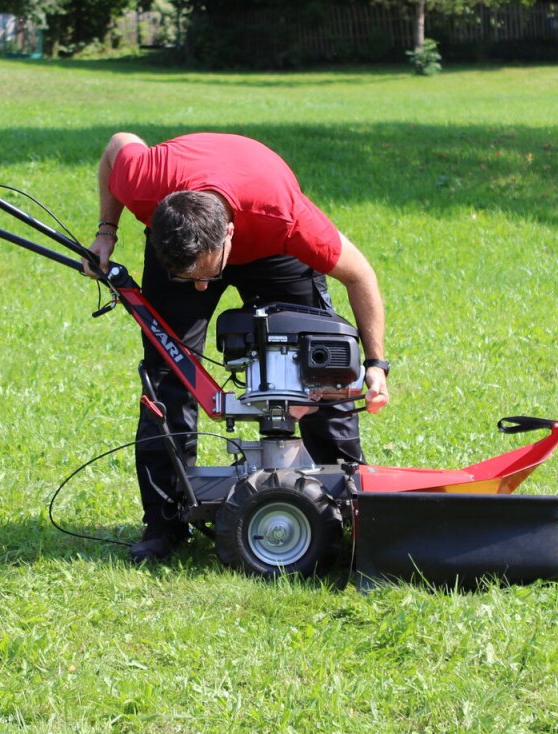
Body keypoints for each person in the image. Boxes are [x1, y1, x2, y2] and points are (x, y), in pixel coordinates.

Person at [84, 132, 390, 563]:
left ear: (229, 233)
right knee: (165, 376)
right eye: (191, 280)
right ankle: (164, 524)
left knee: (321, 364)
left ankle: (353, 505)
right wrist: (107, 232)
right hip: (187, 234)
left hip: (269, 241)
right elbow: (119, 144)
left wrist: (375, 364)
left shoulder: (287, 218)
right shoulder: (144, 181)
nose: (203, 288)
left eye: (208, 275)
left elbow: (360, 275)